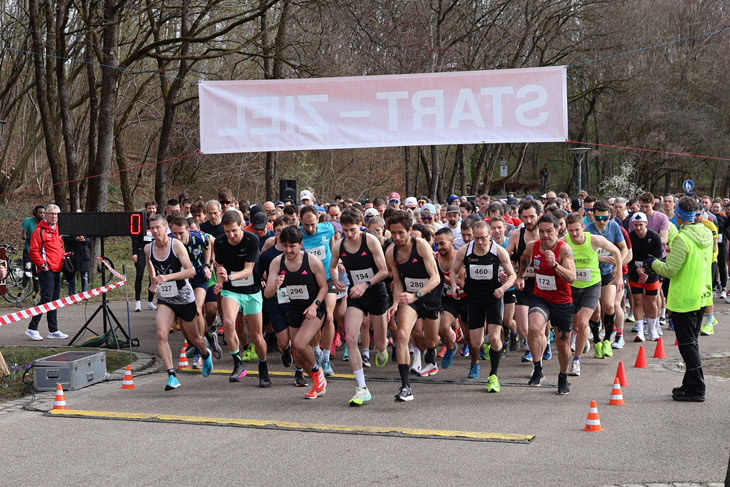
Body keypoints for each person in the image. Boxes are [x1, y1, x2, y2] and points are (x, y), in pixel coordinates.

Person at [647, 196, 712, 402]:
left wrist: (654, 263)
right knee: (691, 342)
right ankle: (689, 383)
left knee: (687, 344)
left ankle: (697, 388)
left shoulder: (682, 238)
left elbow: (670, 270)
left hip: (685, 297)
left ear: (678, 215)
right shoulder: (706, 234)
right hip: (701, 294)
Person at [145, 214, 213, 390]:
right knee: (161, 334)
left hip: (184, 296)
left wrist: (167, 277)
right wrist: (153, 282)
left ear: (165, 228)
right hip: (165, 299)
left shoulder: (176, 245)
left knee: (195, 339)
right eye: (152, 228)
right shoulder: (148, 248)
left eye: (157, 227)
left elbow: (190, 272)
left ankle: (205, 354)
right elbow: (150, 266)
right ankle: (172, 375)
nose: (154, 231)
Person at [330, 208, 390, 406]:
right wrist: (337, 280)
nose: (349, 234)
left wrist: (366, 284)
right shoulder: (339, 246)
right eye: (346, 230)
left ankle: (382, 348)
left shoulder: (370, 241)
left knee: (381, 345)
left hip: (375, 290)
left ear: (361, 225)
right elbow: (332, 266)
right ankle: (362, 388)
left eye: (353, 229)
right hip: (356, 293)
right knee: (350, 337)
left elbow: (384, 271)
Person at [263, 226, 329, 399]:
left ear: (301, 244)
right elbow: (267, 294)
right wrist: (275, 285)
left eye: (292, 246)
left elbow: (324, 287)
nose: (288, 250)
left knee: (299, 343)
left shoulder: (312, 261)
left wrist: (315, 305)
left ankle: (317, 374)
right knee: (298, 355)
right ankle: (318, 383)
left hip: (314, 307)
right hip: (294, 308)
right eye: (285, 246)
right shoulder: (277, 262)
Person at [450, 221, 516, 392]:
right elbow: (453, 271)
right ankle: (488, 347)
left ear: (490, 235)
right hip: (473, 299)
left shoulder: (499, 251)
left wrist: (502, 289)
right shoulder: (465, 251)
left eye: (484, 238)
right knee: (476, 342)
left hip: (493, 297)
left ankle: (493, 376)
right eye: (477, 238)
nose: (480, 242)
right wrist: (453, 286)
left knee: (494, 337)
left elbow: (512, 275)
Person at [516, 213, 576, 394]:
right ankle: (538, 368)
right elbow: (524, 258)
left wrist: (555, 265)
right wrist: (520, 275)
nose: (545, 235)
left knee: (563, 345)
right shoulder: (532, 246)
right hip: (540, 297)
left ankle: (563, 376)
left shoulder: (564, 250)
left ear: (557, 230)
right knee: (533, 328)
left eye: (549, 231)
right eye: (541, 231)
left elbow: (572, 277)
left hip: (562, 301)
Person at [386, 210, 442, 402]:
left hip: (429, 294)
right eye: (393, 233)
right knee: (402, 335)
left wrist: (416, 294)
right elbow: (398, 282)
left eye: (401, 233)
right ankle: (405, 386)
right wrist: (395, 302)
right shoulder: (390, 252)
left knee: (431, 341)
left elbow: (435, 278)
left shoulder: (422, 246)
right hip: (409, 299)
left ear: (410, 230)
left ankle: (432, 353)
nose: (397, 237)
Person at [213, 210, 270, 386]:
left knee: (257, 336)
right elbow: (220, 267)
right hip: (231, 290)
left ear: (242, 227)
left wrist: (228, 277)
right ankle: (237, 363)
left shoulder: (251, 240)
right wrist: (220, 280)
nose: (231, 235)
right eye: (227, 231)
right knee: (229, 323)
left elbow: (248, 270)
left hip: (251, 290)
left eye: (234, 231)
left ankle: (263, 365)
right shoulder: (220, 242)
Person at [565, 213, 623, 376]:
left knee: (583, 323)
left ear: (583, 227)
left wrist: (618, 276)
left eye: (577, 230)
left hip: (592, 285)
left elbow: (617, 252)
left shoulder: (594, 240)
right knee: (575, 325)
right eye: (571, 231)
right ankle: (589, 336)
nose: (574, 234)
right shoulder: (564, 242)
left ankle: (577, 360)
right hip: (572, 287)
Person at [25, 204, 68, 340]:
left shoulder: (59, 230)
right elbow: (33, 251)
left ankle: (53, 330)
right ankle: (32, 328)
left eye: (56, 214)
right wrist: (42, 265)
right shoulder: (39, 231)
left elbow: (58, 249)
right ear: (46, 215)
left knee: (54, 301)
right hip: (46, 270)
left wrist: (65, 256)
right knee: (46, 299)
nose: (54, 216)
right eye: (51, 214)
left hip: (58, 268)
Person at [628, 212, 663, 342]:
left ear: (646, 224)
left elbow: (657, 257)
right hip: (635, 272)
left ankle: (653, 328)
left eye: (640, 225)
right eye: (635, 225)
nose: (638, 228)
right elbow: (628, 257)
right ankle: (640, 329)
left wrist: (646, 271)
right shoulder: (630, 237)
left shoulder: (654, 237)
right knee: (637, 301)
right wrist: (637, 270)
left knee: (651, 301)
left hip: (652, 273)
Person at [132, 201, 158, 312]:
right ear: (146, 209)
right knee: (139, 275)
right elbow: (134, 238)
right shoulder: (141, 222)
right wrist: (134, 253)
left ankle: (150, 302)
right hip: (141, 251)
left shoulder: (158, 221)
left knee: (152, 277)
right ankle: (137, 302)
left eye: (153, 208)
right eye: (149, 208)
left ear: (156, 209)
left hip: (155, 251)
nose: (151, 210)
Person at [21, 205, 45, 296]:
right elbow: (23, 235)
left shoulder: (44, 224)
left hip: (38, 252)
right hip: (28, 250)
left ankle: (36, 294)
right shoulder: (28, 221)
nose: (42, 214)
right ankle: (21, 293)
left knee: (37, 275)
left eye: (43, 213)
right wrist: (30, 238)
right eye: (40, 212)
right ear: (35, 213)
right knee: (27, 272)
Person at [63, 226, 91, 295]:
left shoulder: (87, 225)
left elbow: (90, 239)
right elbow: (66, 239)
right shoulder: (69, 226)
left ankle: (85, 293)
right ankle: (71, 294)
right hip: (73, 254)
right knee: (72, 275)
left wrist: (84, 239)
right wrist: (75, 239)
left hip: (84, 254)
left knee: (84, 275)